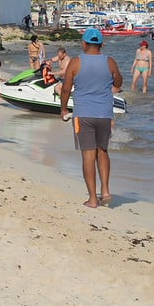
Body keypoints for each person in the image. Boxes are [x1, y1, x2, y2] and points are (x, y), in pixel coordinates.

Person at [59, 28, 123, 208]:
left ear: (84, 43)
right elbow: (118, 83)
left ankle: (93, 199)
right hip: (104, 114)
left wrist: (63, 109)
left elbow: (66, 89)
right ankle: (106, 190)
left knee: (88, 155)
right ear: (101, 44)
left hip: (84, 114)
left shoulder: (76, 62)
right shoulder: (109, 62)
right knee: (102, 151)